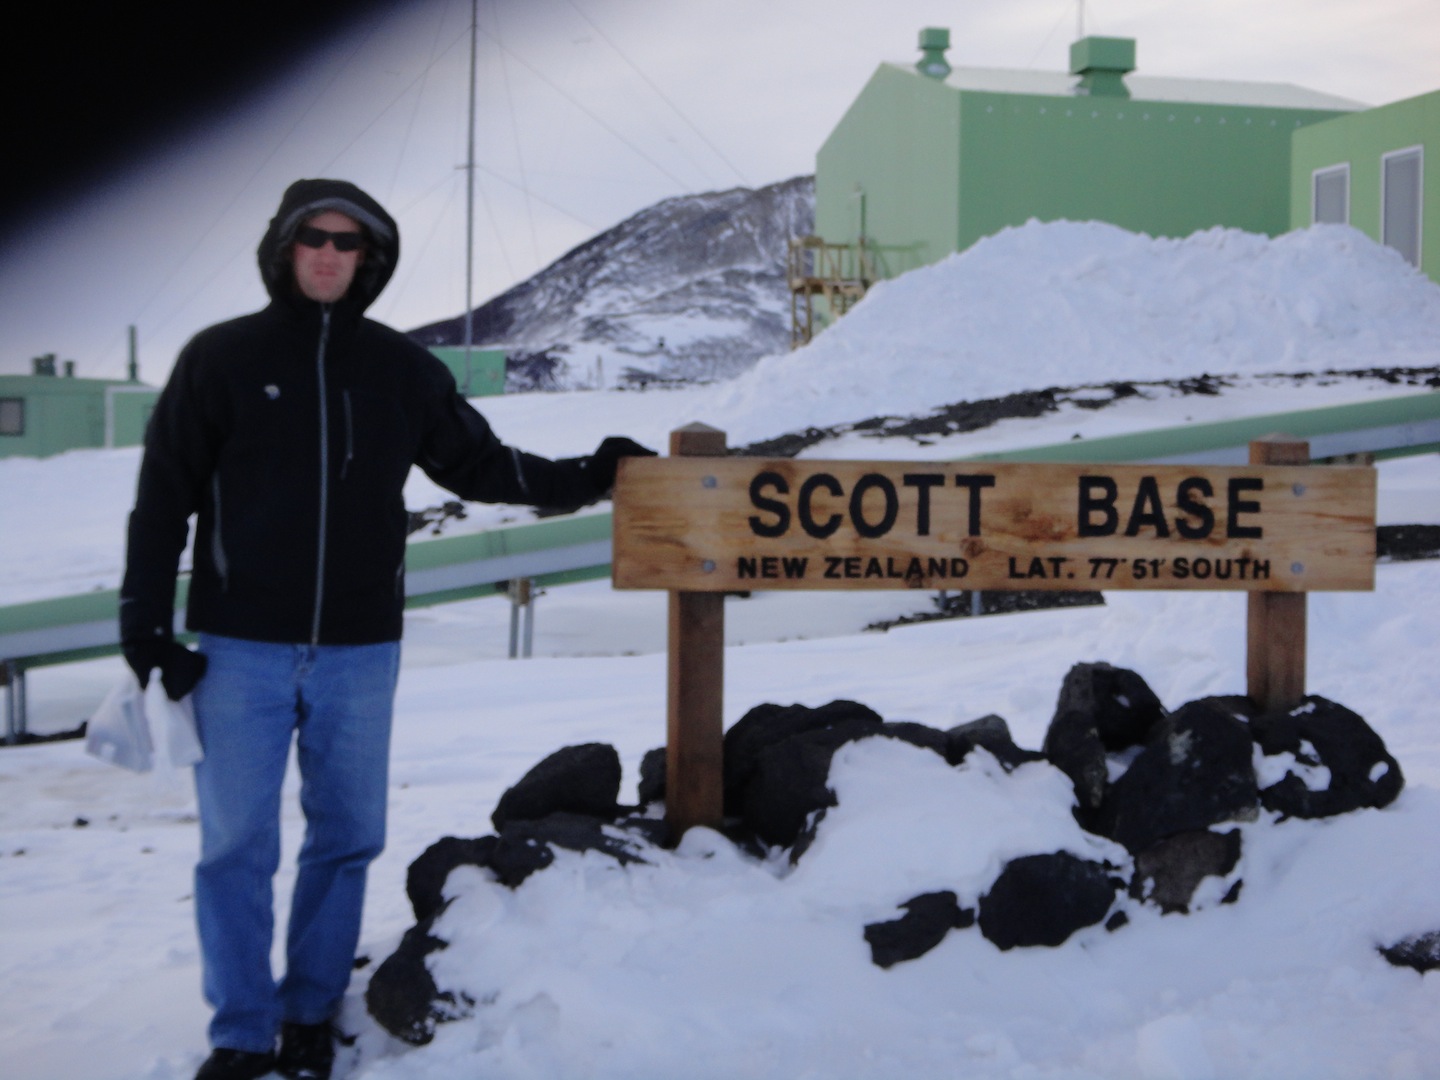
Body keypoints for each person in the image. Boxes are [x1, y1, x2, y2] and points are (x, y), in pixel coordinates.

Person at [119, 178, 653, 1080]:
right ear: (284, 249)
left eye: (348, 242)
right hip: (240, 649)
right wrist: (145, 627)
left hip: (360, 652)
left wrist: (590, 474)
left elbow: (479, 465)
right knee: (236, 848)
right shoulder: (221, 358)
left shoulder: (401, 368)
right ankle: (241, 1032)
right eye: (314, 238)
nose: (329, 254)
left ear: (369, 259)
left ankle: (309, 1013)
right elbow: (164, 496)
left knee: (346, 839)